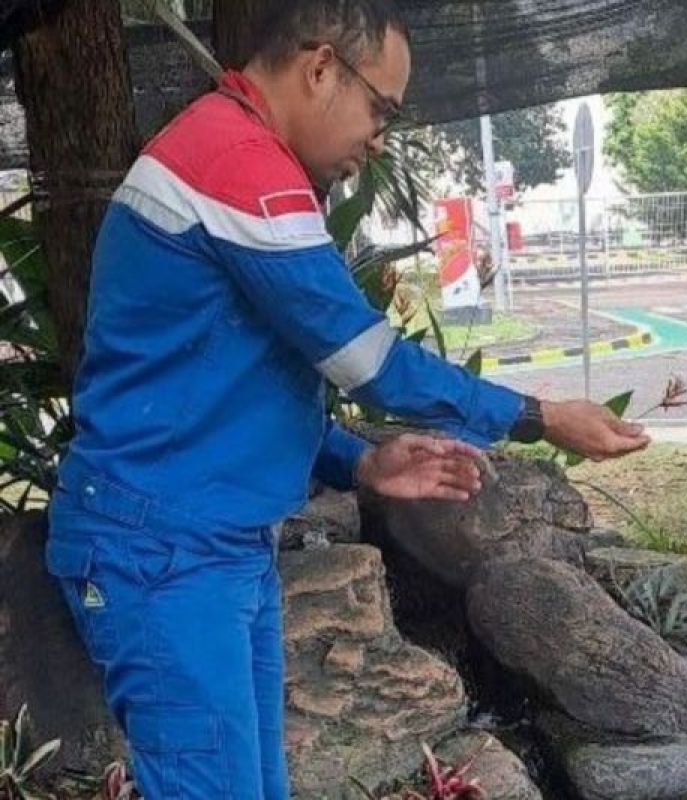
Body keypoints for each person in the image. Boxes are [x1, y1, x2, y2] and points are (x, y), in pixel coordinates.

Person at [44, 2, 649, 797]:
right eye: (380, 109)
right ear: (321, 67)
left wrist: (361, 460)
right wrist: (541, 417)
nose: (378, 140)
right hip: (162, 549)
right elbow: (370, 361)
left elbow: (234, 382)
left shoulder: (234, 155)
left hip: (209, 545)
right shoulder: (236, 163)